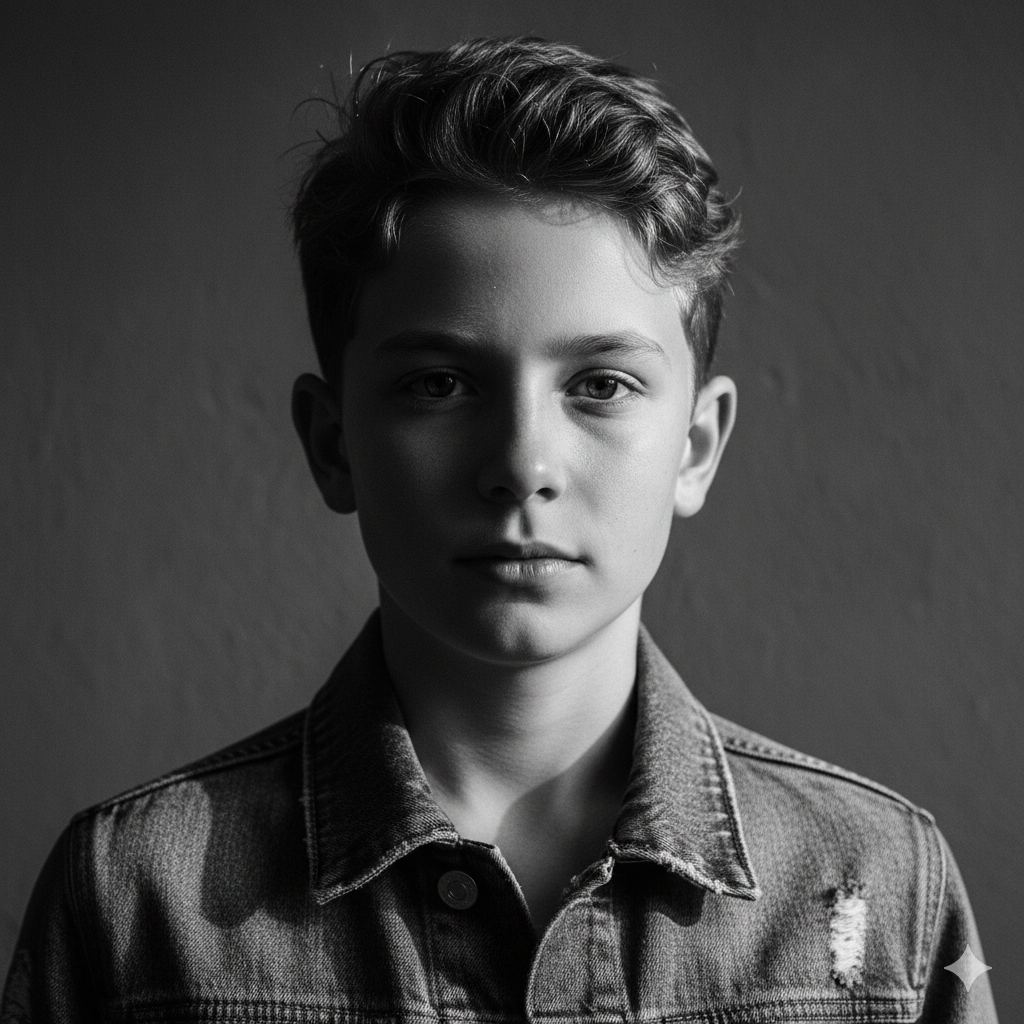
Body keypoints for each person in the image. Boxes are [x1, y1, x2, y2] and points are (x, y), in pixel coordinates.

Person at [2, 36, 997, 1023]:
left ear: (695, 446)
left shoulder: (878, 888)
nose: (522, 464)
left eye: (600, 384)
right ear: (333, 444)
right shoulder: (134, 904)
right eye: (439, 384)